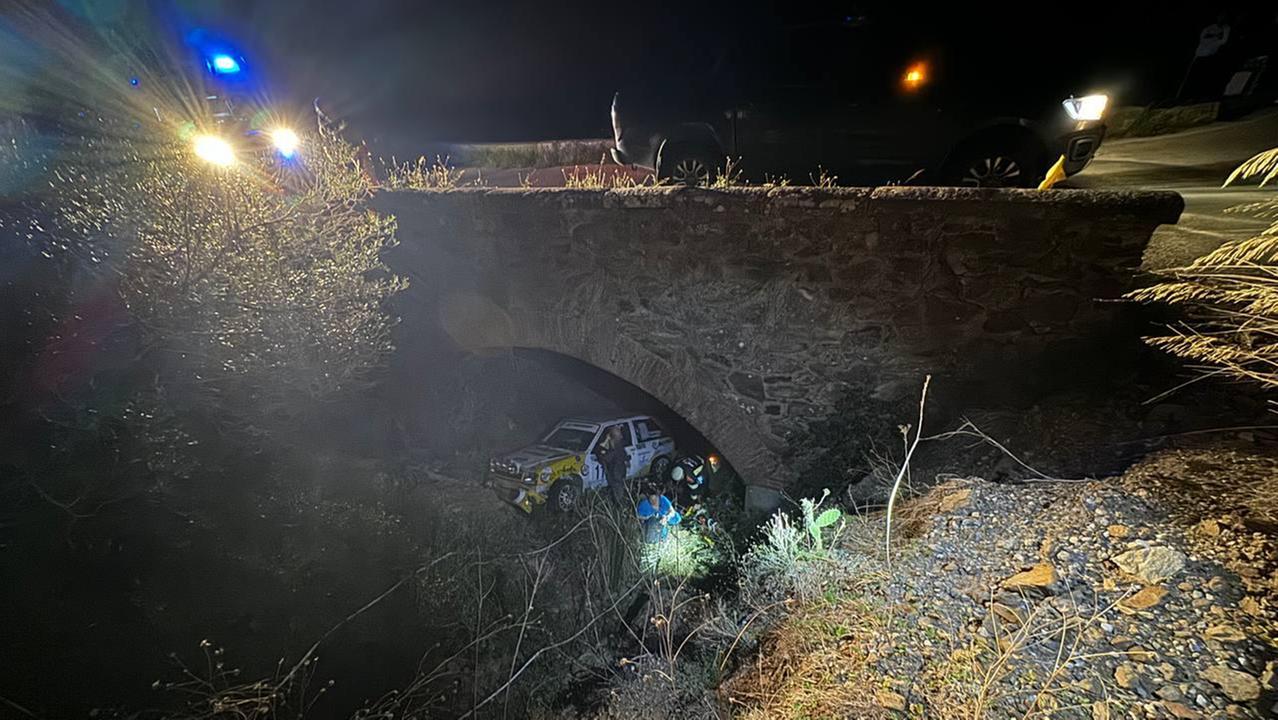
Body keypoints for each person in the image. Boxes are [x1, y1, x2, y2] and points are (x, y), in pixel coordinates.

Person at [594, 425, 629, 503]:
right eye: (620, 434)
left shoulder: (614, 450)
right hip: (619, 471)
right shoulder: (619, 445)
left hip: (615, 473)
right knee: (618, 490)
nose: (621, 436)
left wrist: (606, 440)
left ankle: (617, 507)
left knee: (617, 492)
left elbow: (601, 456)